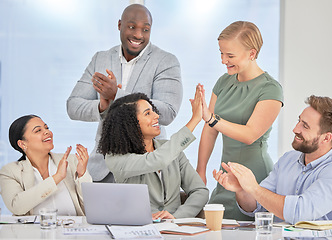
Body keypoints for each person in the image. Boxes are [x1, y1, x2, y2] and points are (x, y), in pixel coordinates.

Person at [66, 4, 182, 183]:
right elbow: (73, 105)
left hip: (147, 166)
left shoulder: (166, 61)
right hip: (103, 167)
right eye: (132, 27)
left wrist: (116, 95)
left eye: (145, 29)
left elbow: (167, 112)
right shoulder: (101, 58)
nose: (138, 35)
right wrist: (102, 106)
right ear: (119, 24)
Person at [213, 95, 332, 224]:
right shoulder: (288, 160)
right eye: (299, 121)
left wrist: (253, 188)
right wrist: (243, 190)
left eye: (305, 126)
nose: (295, 129)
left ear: (326, 138)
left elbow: (299, 213)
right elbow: (258, 206)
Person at [196, 21, 283, 220]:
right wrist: (200, 170)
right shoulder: (223, 82)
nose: (223, 60)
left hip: (255, 176)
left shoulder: (270, 89)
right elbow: (210, 129)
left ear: (252, 53)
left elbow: (250, 135)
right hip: (225, 175)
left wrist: (212, 118)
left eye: (230, 55)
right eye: (221, 53)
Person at [98, 89, 208, 219]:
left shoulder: (172, 150)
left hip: (176, 231)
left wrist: (177, 217)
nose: (156, 116)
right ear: (130, 122)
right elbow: (157, 160)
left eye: (153, 111)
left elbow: (200, 191)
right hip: (138, 230)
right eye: (148, 113)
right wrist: (195, 119)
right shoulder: (115, 159)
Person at [0, 115, 92, 216]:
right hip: (33, 231)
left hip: (73, 228)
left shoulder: (71, 160)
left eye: (46, 128)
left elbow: (91, 205)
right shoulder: (10, 171)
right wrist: (57, 177)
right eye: (38, 130)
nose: (47, 132)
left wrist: (82, 174)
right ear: (22, 144)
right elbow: (16, 207)